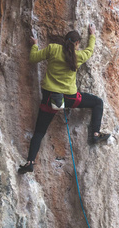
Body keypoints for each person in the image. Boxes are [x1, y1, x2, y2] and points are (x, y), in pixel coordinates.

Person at [18, 24, 110, 174]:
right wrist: (92, 34)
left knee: (39, 132)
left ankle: (30, 161)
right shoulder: (78, 56)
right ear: (77, 44)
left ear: (64, 41)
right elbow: (89, 51)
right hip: (69, 98)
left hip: (50, 99)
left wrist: (35, 45)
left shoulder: (53, 49)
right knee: (97, 102)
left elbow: (33, 58)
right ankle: (95, 134)